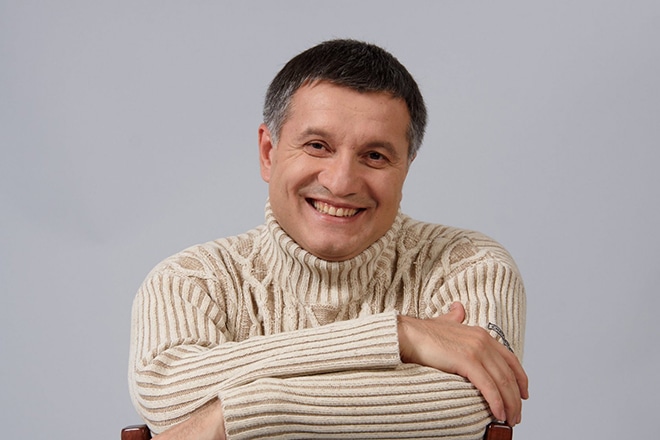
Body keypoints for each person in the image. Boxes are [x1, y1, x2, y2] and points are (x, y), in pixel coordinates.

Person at [128, 39, 529, 440]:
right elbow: (166, 395)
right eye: (318, 146)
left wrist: (241, 412)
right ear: (268, 152)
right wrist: (398, 335)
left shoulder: (469, 264)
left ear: (406, 167)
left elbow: (474, 405)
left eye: (375, 156)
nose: (341, 182)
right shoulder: (191, 279)